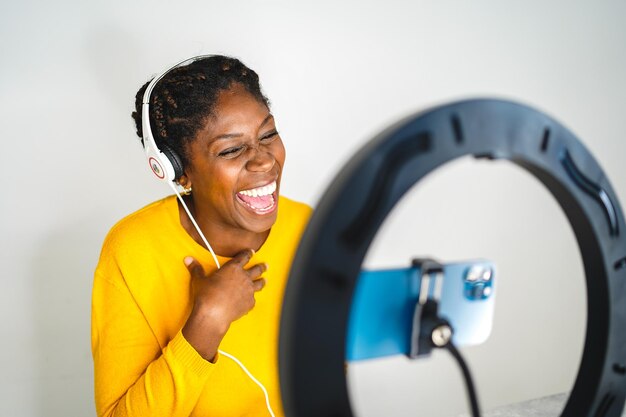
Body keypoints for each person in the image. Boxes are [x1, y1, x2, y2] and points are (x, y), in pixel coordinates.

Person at [91, 55, 312, 417]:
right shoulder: (132, 250)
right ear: (176, 172)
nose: (263, 161)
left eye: (268, 135)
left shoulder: (309, 227)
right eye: (231, 149)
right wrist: (207, 323)